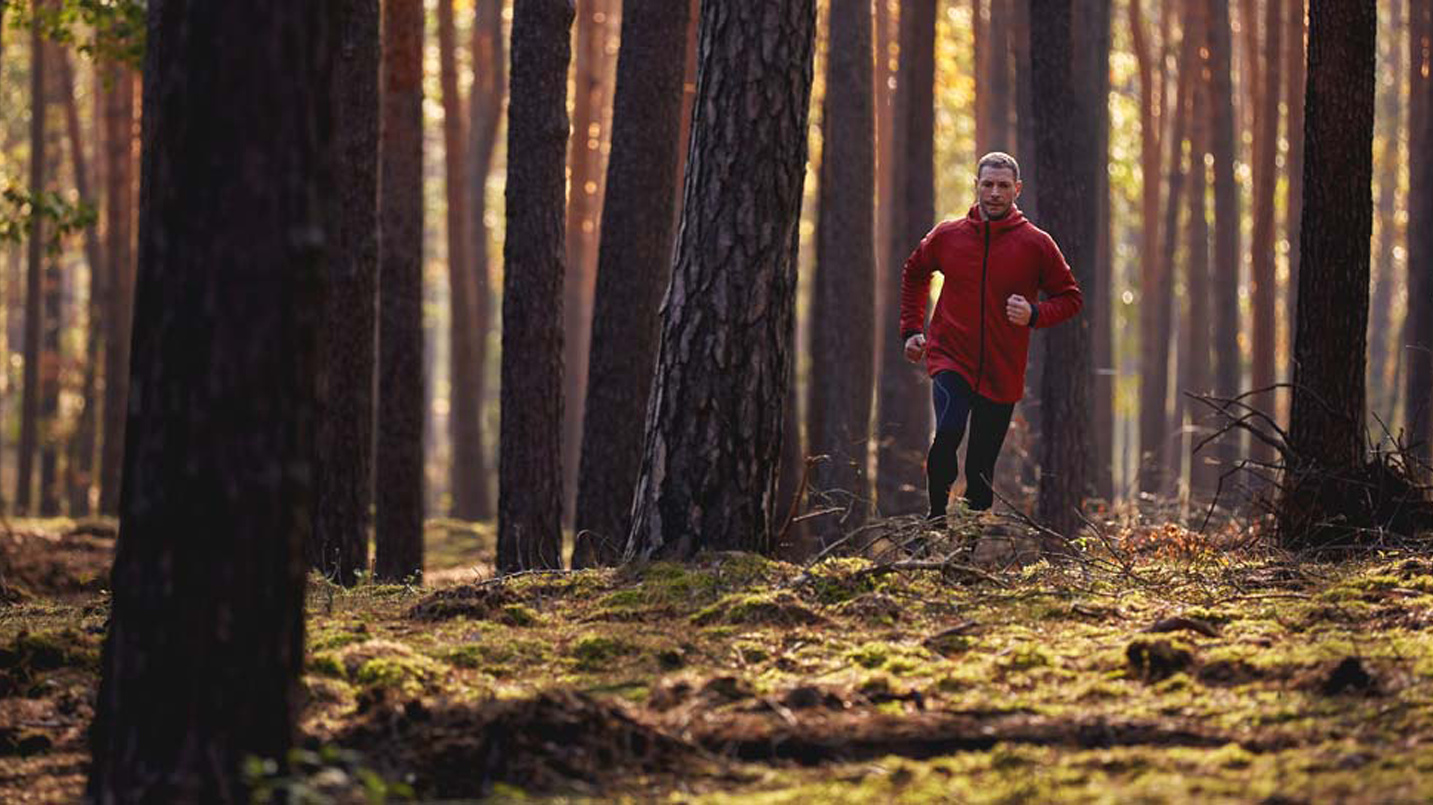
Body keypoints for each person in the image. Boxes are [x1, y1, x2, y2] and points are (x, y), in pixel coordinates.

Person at [899, 152, 1083, 524]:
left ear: (1017, 189)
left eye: (1003, 186)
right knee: (948, 431)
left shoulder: (1036, 244)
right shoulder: (948, 236)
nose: (995, 193)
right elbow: (915, 272)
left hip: (1002, 370)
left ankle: (964, 553)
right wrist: (912, 330)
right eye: (988, 184)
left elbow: (1070, 298)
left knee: (981, 469)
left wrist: (1034, 314)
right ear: (976, 186)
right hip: (950, 355)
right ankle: (934, 520)